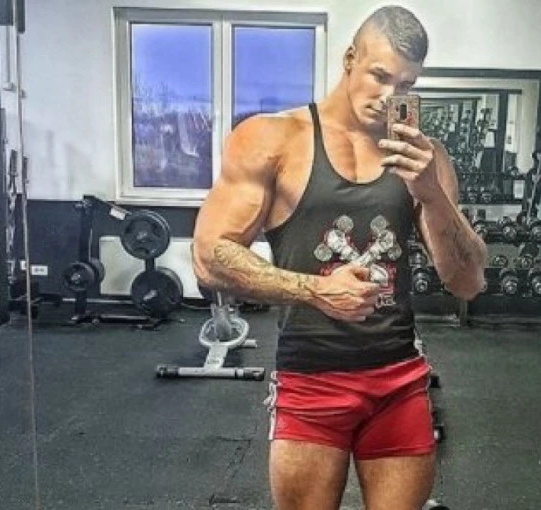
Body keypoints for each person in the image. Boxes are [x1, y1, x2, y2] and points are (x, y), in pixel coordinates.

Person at [193, 5, 487, 509]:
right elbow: (209, 256)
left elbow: (468, 282)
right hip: (311, 379)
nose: (390, 96)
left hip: (398, 379)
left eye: (406, 84)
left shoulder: (425, 157)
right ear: (350, 58)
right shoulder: (273, 139)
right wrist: (315, 289)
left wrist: (432, 194)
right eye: (380, 76)